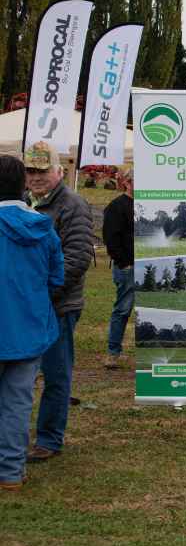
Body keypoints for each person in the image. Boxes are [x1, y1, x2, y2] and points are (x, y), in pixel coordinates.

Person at [23, 141, 94, 463]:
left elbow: (76, 259)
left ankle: (49, 439)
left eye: (42, 171)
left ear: (58, 171)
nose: (36, 177)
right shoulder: (23, 203)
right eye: (30, 171)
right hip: (25, 306)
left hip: (58, 307)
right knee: (21, 375)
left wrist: (41, 295)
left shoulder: (73, 205)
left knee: (55, 374)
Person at [0, 155, 64, 491]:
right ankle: (10, 472)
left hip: (22, 326)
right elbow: (56, 277)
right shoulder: (43, 226)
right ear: (23, 183)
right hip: (29, 327)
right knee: (18, 402)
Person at [102, 168, 135, 369]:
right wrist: (125, 263)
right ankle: (113, 353)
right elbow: (110, 238)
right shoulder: (116, 206)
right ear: (128, 183)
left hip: (148, 265)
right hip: (128, 268)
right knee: (123, 310)